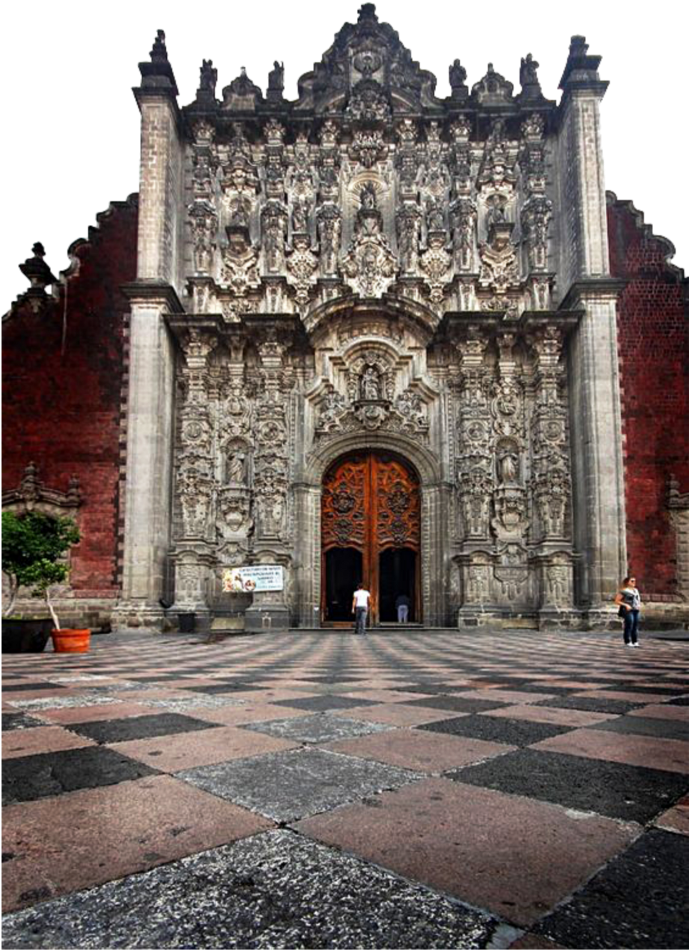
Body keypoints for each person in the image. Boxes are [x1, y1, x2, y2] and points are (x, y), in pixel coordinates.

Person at [614, 575, 641, 646]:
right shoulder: (624, 591)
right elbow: (617, 601)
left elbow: (637, 599)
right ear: (627, 582)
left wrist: (638, 605)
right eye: (632, 581)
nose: (634, 582)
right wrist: (626, 605)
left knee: (635, 625)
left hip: (636, 609)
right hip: (628, 610)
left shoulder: (636, 590)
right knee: (629, 624)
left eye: (635, 581)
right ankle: (627, 641)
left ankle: (635, 641)